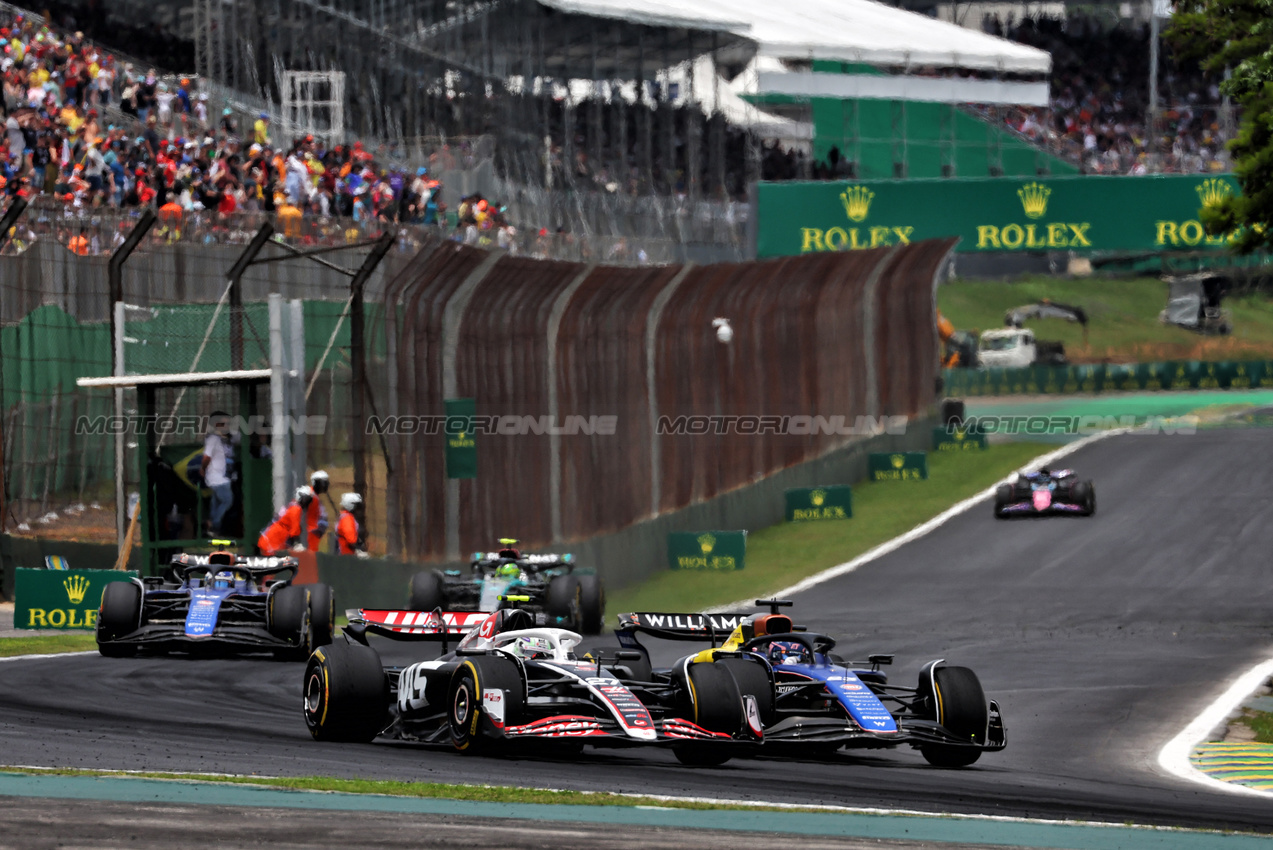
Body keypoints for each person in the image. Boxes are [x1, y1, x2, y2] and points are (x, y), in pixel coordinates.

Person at [201, 410, 234, 535]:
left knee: (217, 502)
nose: (227, 426)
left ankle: (211, 526)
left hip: (224, 477)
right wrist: (203, 469)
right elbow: (206, 457)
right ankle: (214, 524)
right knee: (227, 500)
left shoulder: (226, 439)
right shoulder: (213, 439)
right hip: (218, 478)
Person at [257, 485, 313, 556]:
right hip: (273, 538)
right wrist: (297, 543)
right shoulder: (296, 509)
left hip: (271, 537)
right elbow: (294, 531)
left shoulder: (292, 506)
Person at [335, 492, 367, 557]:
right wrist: (358, 547)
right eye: (357, 505)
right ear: (350, 505)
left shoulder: (345, 516)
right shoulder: (347, 518)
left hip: (345, 553)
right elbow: (350, 537)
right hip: (346, 555)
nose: (358, 508)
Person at [305, 470, 330, 551]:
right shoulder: (311, 496)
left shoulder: (314, 496)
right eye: (323, 482)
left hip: (313, 533)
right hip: (309, 533)